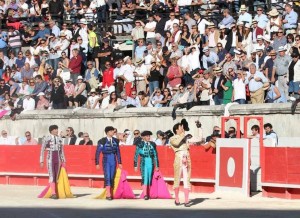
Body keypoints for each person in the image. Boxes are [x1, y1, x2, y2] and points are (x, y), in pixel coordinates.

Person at [95, 126, 122, 200]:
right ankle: (108, 194)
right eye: (111, 131)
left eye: (113, 131)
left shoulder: (116, 140)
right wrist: (97, 163)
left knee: (112, 176)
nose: (113, 132)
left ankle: (111, 193)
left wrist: (120, 162)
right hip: (106, 159)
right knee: (107, 176)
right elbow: (98, 152)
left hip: (113, 159)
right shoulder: (102, 141)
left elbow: (118, 152)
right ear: (107, 132)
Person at [40, 125, 66, 199]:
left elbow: (61, 151)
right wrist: (41, 161)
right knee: (51, 176)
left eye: (57, 129)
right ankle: (53, 193)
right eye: (55, 129)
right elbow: (42, 150)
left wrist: (63, 160)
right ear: (51, 131)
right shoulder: (46, 138)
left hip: (57, 158)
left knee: (56, 176)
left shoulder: (59, 139)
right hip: (50, 159)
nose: (57, 130)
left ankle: (55, 191)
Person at [169, 120, 191, 207]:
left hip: (187, 157)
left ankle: (186, 201)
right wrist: (183, 135)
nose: (182, 128)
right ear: (176, 130)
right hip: (178, 158)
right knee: (177, 179)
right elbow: (177, 143)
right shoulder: (172, 138)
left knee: (187, 179)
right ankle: (177, 199)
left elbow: (199, 138)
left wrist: (200, 128)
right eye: (180, 127)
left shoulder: (185, 137)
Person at [134, 131, 159, 200]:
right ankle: (145, 194)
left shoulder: (153, 144)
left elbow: (155, 155)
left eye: (149, 136)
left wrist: (157, 166)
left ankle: (148, 193)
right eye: (147, 136)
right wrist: (135, 166)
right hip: (143, 162)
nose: (148, 137)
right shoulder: (140, 144)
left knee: (149, 178)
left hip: (151, 162)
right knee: (144, 177)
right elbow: (136, 156)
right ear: (143, 137)